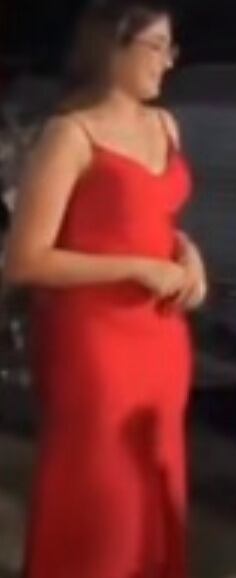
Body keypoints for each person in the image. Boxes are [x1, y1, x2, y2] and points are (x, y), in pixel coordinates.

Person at [5, 2, 205, 577]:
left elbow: (154, 218)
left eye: (170, 47)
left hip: (162, 336)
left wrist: (188, 255)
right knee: (104, 499)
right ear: (113, 47)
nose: (168, 61)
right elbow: (25, 260)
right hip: (96, 344)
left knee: (153, 486)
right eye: (156, 46)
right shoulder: (71, 134)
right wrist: (135, 269)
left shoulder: (166, 125)